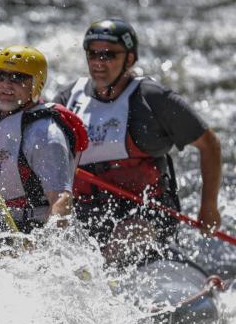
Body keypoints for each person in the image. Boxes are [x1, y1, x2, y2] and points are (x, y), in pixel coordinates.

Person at [53, 19, 222, 260]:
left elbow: (209, 144)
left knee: (123, 238)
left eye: (109, 55)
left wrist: (208, 207)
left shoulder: (154, 99)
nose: (99, 62)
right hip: (88, 210)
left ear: (129, 60)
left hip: (148, 211)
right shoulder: (68, 97)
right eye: (93, 54)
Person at [0, 45, 87, 233]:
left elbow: (61, 200)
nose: (6, 84)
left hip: (26, 227)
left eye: (18, 78)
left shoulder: (44, 133)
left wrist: (46, 247)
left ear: (36, 83)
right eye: (0, 75)